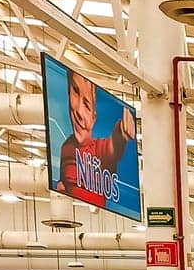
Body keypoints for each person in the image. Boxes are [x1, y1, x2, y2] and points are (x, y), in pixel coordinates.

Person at [55, 68, 135, 207]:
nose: (79, 111)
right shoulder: (66, 147)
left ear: (94, 118)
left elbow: (112, 147)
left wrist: (120, 130)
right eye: (75, 91)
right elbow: (64, 184)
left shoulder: (99, 149)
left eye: (87, 105)